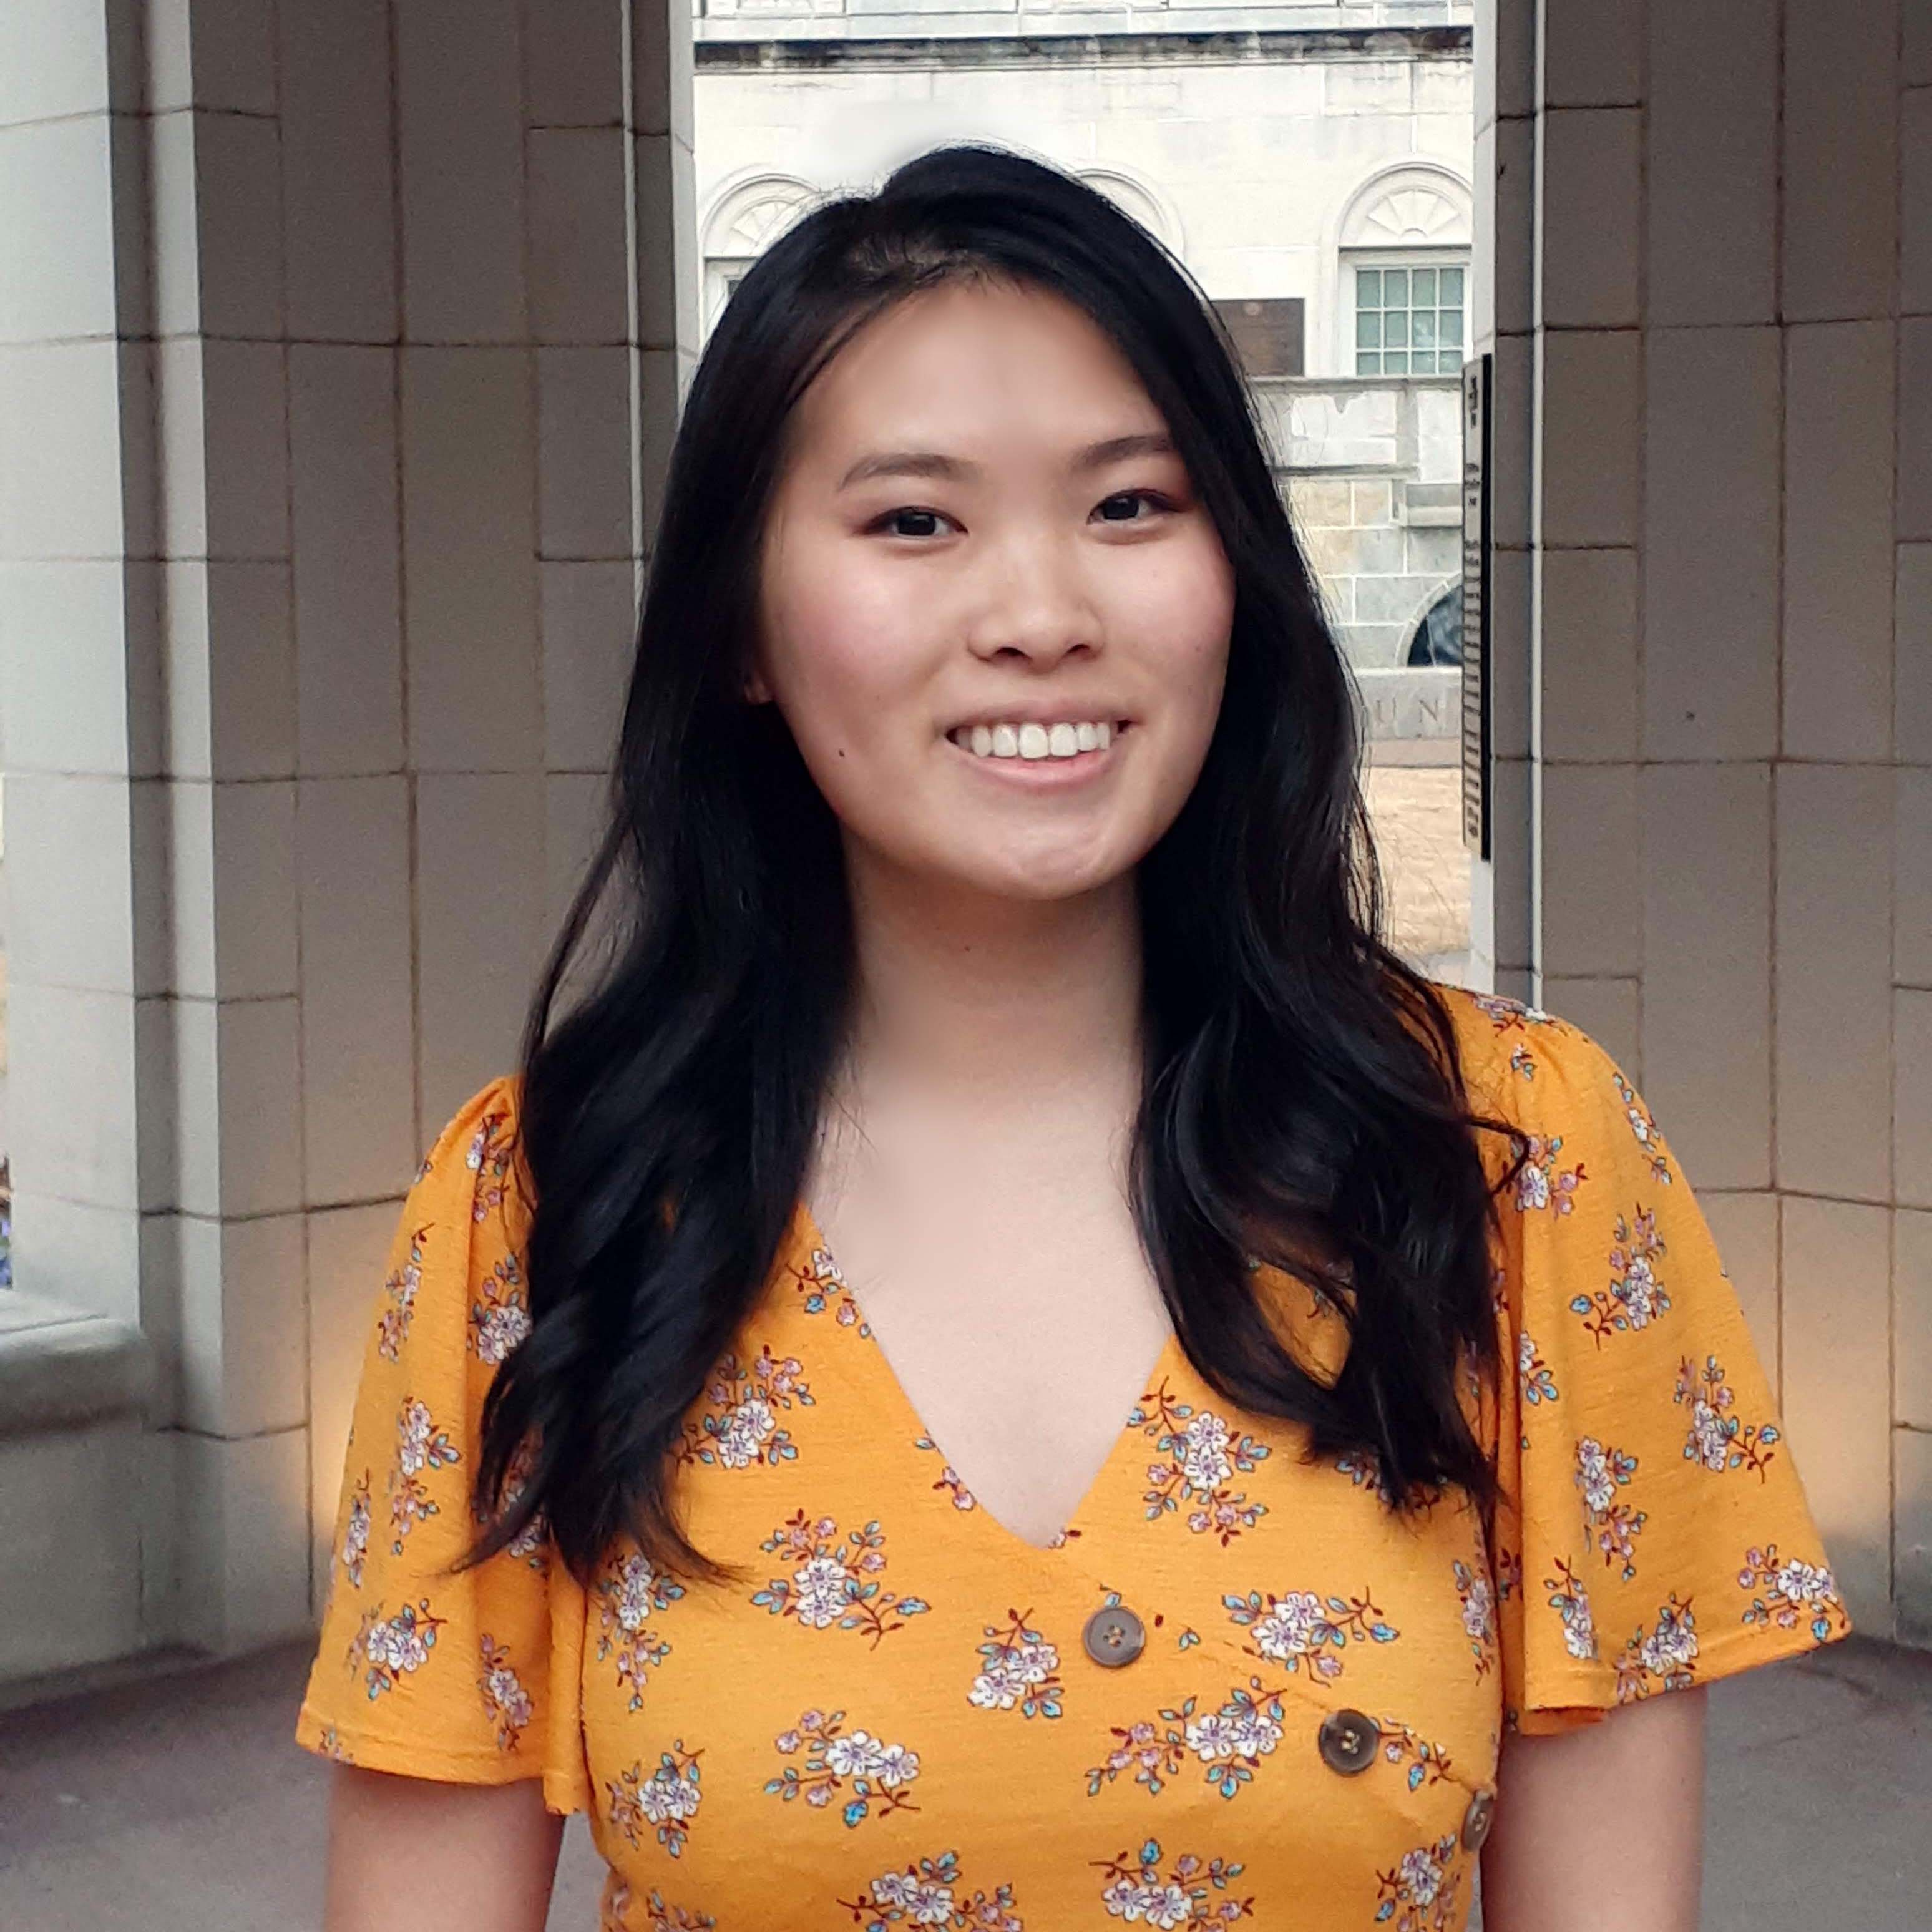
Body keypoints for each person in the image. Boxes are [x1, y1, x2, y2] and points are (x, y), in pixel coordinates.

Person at [295, 143, 1848, 1932]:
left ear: (1235, 578)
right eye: (913, 522)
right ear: (741, 625)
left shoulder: (1505, 1158)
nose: (1042, 617)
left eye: (1130, 506)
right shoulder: (547, 1207)